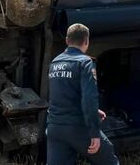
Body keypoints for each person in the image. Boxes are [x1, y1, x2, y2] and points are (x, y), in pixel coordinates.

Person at [47, 23, 119, 165]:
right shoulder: (85, 63)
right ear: (86, 41)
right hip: (77, 126)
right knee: (109, 161)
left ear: (67, 41)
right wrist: (94, 133)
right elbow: (89, 98)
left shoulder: (54, 63)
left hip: (54, 128)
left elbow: (63, 95)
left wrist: (93, 111)